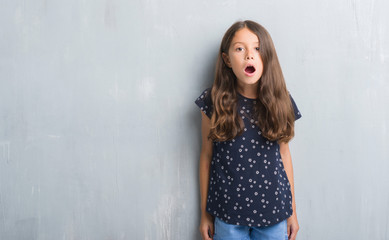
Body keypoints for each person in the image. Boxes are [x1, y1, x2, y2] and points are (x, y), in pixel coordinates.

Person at [195, 20, 302, 240]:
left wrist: (292, 212)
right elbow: (206, 157)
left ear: (267, 56)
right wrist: (206, 214)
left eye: (257, 48)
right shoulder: (213, 101)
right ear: (227, 59)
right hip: (227, 216)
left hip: (274, 215)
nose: (249, 56)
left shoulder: (282, 102)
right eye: (239, 49)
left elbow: (284, 155)